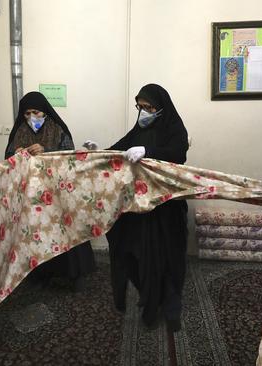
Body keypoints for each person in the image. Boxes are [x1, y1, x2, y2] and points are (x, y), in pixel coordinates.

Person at [100, 84, 189, 332]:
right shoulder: (139, 128)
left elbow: (177, 154)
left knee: (164, 259)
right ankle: (150, 296)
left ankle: (168, 307)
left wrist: (149, 152)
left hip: (164, 208)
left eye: (149, 107)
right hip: (137, 206)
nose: (144, 112)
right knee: (131, 254)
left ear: (161, 107)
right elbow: (119, 148)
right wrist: (97, 154)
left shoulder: (175, 129)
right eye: (140, 107)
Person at [5, 91, 95, 291]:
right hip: (32, 197)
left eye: (35, 112)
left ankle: (75, 275)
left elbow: (68, 159)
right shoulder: (19, 132)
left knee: (66, 231)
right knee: (38, 234)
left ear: (44, 111)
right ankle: (41, 276)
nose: (31, 118)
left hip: (57, 193)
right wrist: (17, 155)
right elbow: (8, 159)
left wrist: (46, 153)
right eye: (26, 114)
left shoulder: (58, 129)